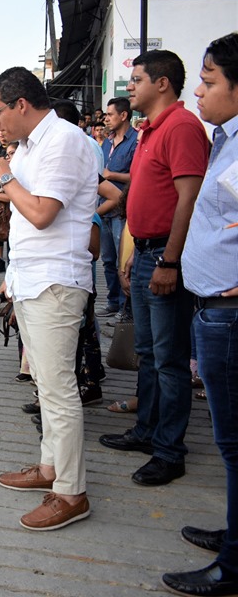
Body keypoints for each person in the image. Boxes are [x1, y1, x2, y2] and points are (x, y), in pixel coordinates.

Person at [0, 66, 98, 531]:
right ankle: (50, 468)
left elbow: (43, 213)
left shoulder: (65, 141)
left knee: (58, 388)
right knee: (44, 386)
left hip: (56, 280)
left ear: (21, 105)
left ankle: (71, 492)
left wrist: (4, 177)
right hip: (30, 277)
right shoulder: (30, 145)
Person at [99, 50, 209, 487]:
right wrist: (134, 251)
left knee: (169, 359)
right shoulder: (149, 130)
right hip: (145, 253)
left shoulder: (181, 127)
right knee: (147, 353)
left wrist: (170, 260)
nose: (131, 87)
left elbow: (189, 199)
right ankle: (146, 431)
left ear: (162, 83)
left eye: (138, 79)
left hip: (165, 256)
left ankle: (169, 450)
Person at [162, 31, 238, 597]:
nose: (199, 94)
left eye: (209, 82)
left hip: (229, 312)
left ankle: (235, 565)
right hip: (212, 307)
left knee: (234, 440)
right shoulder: (224, 141)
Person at [98, 96, 138, 319]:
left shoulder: (135, 141)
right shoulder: (106, 142)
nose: (106, 119)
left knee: (124, 262)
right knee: (109, 260)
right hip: (104, 207)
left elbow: (137, 175)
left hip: (122, 209)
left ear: (123, 115)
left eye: (110, 115)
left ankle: (125, 308)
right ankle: (113, 301)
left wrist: (112, 175)